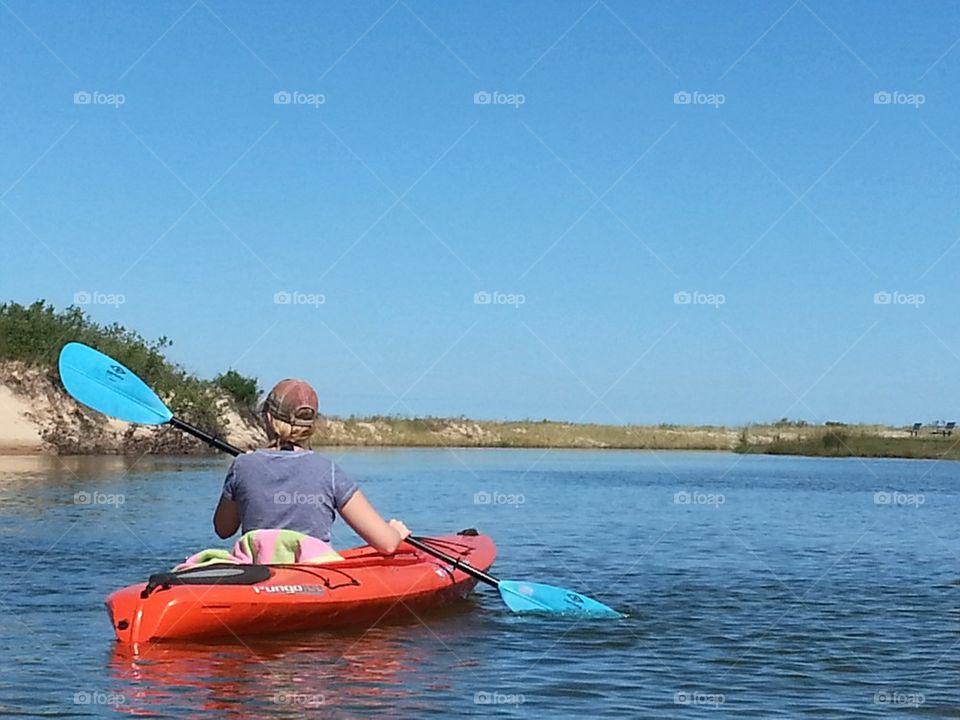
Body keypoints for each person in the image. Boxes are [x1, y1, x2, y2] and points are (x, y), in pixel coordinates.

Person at [212, 378, 410, 554]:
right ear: (311, 426)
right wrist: (396, 532)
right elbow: (387, 544)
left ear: (269, 419)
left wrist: (242, 471)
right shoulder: (329, 471)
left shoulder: (242, 466)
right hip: (314, 574)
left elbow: (223, 529)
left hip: (260, 574)